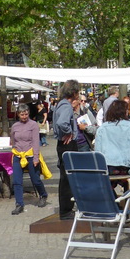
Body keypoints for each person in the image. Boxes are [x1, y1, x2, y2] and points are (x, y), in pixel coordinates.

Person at [53, 79, 86, 220]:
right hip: (67, 144)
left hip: (63, 144)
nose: (78, 95)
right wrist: (69, 132)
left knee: (66, 177)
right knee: (67, 178)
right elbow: (62, 122)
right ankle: (66, 211)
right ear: (73, 92)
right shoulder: (66, 106)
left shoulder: (61, 104)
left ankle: (67, 209)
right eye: (77, 92)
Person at [9, 105, 48, 214]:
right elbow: (13, 141)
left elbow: (36, 142)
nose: (24, 116)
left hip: (30, 156)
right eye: (22, 114)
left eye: (26, 114)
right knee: (17, 181)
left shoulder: (33, 125)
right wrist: (14, 150)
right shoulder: (15, 126)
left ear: (29, 113)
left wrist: (36, 157)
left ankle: (43, 195)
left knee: (35, 179)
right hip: (18, 156)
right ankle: (19, 204)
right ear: (18, 115)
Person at [94, 99, 130, 180]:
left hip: (107, 168)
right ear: (125, 112)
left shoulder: (102, 128)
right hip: (125, 167)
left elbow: (97, 152)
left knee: (109, 190)